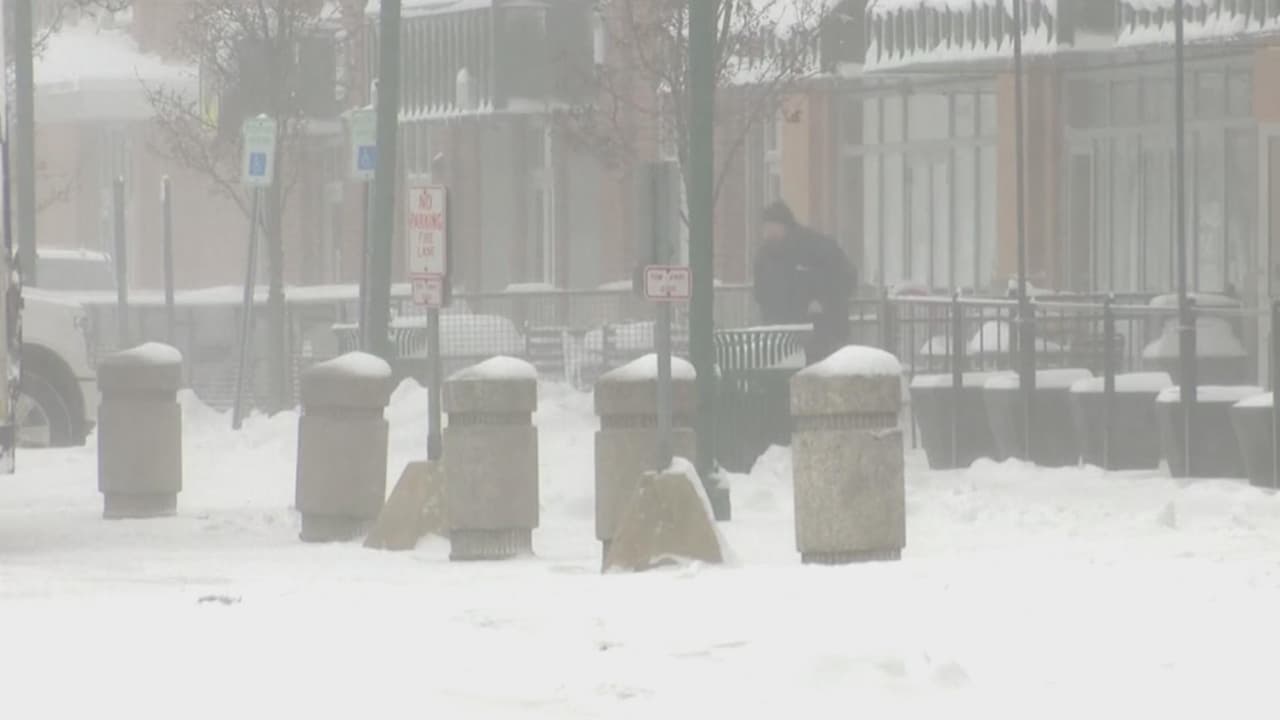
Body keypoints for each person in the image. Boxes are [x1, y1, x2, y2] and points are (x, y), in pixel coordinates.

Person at [752, 201, 855, 364]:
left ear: (785, 226)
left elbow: (845, 278)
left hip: (821, 333)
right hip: (782, 337)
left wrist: (823, 302)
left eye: (772, 227)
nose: (768, 233)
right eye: (766, 228)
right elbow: (761, 293)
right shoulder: (764, 257)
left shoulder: (816, 247)